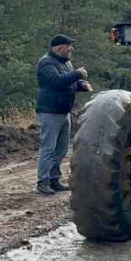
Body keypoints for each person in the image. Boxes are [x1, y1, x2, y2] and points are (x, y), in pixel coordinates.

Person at [35, 34, 91, 195]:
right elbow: (56, 81)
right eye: (69, 46)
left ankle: (54, 179)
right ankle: (43, 182)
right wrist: (78, 74)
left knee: (61, 148)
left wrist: (81, 85)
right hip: (49, 112)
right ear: (60, 47)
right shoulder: (46, 62)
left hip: (63, 111)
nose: (71, 49)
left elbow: (68, 83)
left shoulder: (66, 63)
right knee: (48, 148)